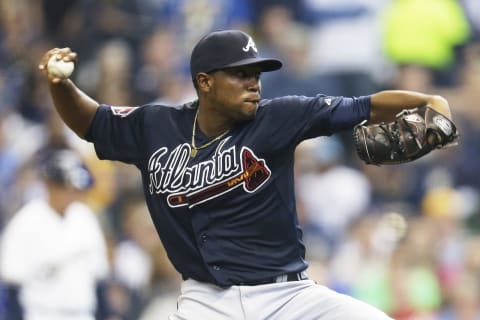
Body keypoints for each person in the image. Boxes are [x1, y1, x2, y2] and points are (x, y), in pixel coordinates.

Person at [38, 30, 453, 319]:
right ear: (205, 82)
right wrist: (59, 83)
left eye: (256, 73)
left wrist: (429, 99)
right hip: (205, 301)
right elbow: (90, 122)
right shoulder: (154, 127)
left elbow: (364, 105)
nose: (254, 83)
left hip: (290, 297)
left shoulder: (281, 116)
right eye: (240, 74)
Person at [0, 149, 110, 320]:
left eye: (75, 188)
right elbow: (12, 284)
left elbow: (99, 280)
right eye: (66, 187)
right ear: (48, 184)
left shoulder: (85, 218)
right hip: (41, 313)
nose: (72, 193)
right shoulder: (26, 221)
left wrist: (106, 315)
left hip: (83, 313)